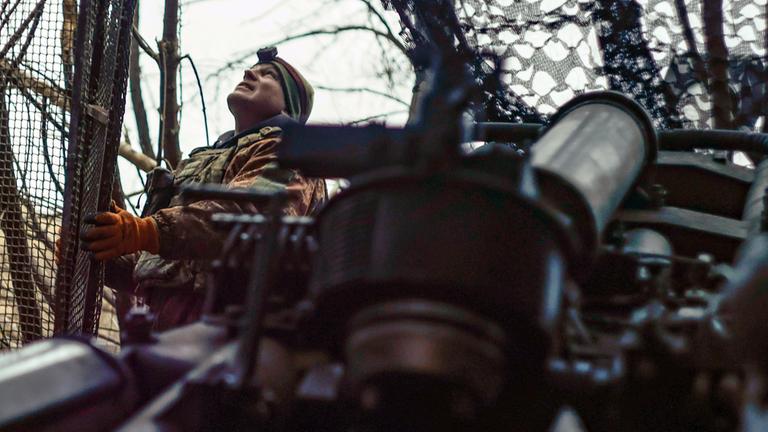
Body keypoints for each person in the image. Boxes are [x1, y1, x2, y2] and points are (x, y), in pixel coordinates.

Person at [79, 47, 327, 331]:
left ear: (289, 108)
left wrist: (145, 230)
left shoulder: (291, 152)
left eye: (267, 75)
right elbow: (165, 263)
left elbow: (249, 217)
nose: (248, 73)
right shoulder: (209, 158)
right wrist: (103, 248)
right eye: (252, 71)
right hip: (172, 327)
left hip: (239, 327)